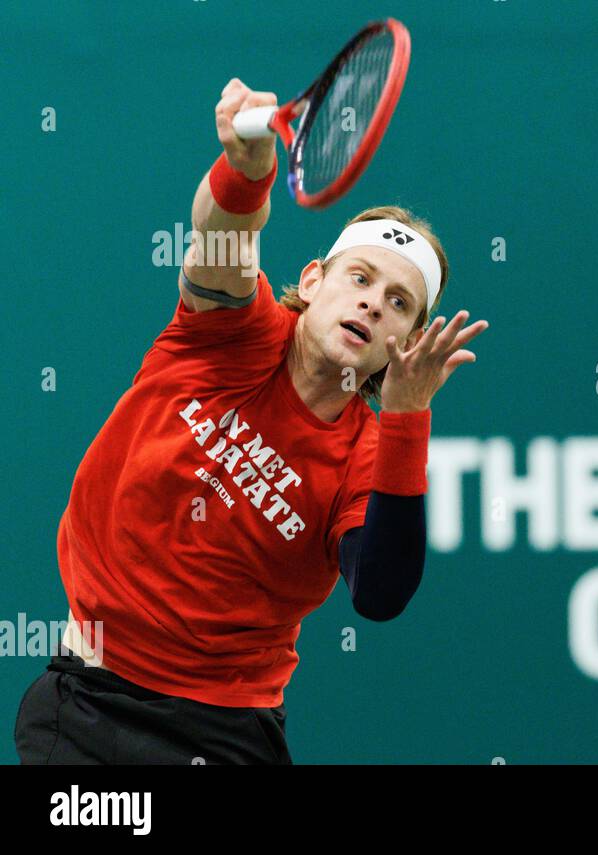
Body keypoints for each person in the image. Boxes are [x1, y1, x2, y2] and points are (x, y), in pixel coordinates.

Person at [12, 78, 488, 764]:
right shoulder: (231, 329)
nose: (374, 304)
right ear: (315, 279)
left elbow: (380, 594)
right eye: (359, 278)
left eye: (399, 302)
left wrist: (410, 415)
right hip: (87, 706)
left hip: (224, 737)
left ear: (405, 340)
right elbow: (221, 239)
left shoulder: (367, 455)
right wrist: (249, 165)